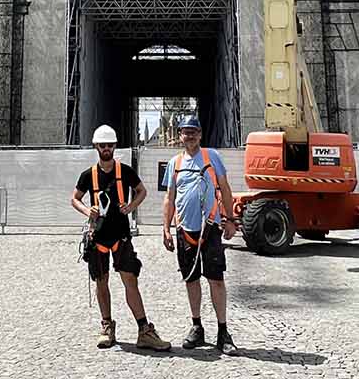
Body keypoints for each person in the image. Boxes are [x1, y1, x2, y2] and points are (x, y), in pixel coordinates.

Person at [69, 124, 170, 351]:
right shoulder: (88, 175)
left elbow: (142, 190)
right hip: (99, 237)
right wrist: (88, 211)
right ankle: (107, 327)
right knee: (101, 281)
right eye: (103, 145)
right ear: (96, 146)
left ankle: (144, 330)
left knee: (130, 281)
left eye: (110, 145)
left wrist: (131, 206)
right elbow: (74, 198)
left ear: (115, 147)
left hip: (121, 235)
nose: (106, 149)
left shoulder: (125, 171)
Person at [161, 115, 238, 355]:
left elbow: (225, 189)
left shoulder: (212, 157)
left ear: (200, 134)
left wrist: (230, 220)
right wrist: (165, 228)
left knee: (216, 279)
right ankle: (197, 327)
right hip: (186, 230)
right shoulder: (174, 163)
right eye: (185, 131)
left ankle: (223, 331)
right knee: (191, 279)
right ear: (180, 136)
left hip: (211, 229)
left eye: (194, 131)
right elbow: (169, 198)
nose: (190, 135)